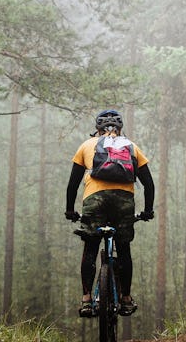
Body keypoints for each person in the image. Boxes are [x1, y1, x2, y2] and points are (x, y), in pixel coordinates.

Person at [65, 109, 155, 318]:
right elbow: (149, 184)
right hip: (123, 201)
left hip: (94, 200)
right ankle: (125, 299)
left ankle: (87, 299)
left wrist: (70, 210)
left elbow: (72, 185)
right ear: (120, 128)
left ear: (97, 129)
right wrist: (148, 211)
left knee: (91, 247)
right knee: (123, 248)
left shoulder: (86, 146)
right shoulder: (131, 146)